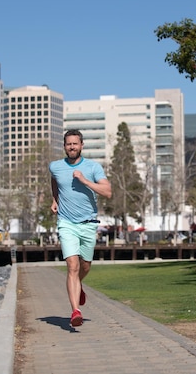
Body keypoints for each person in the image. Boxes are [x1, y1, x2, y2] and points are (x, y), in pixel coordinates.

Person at [49, 129, 112, 327]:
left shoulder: (93, 167)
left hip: (88, 224)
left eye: (75, 144)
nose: (72, 147)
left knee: (85, 266)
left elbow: (108, 192)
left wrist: (85, 181)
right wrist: (55, 199)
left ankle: (79, 286)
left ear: (82, 145)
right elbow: (54, 180)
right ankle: (75, 311)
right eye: (69, 144)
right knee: (72, 266)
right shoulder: (56, 166)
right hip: (66, 222)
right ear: (64, 146)